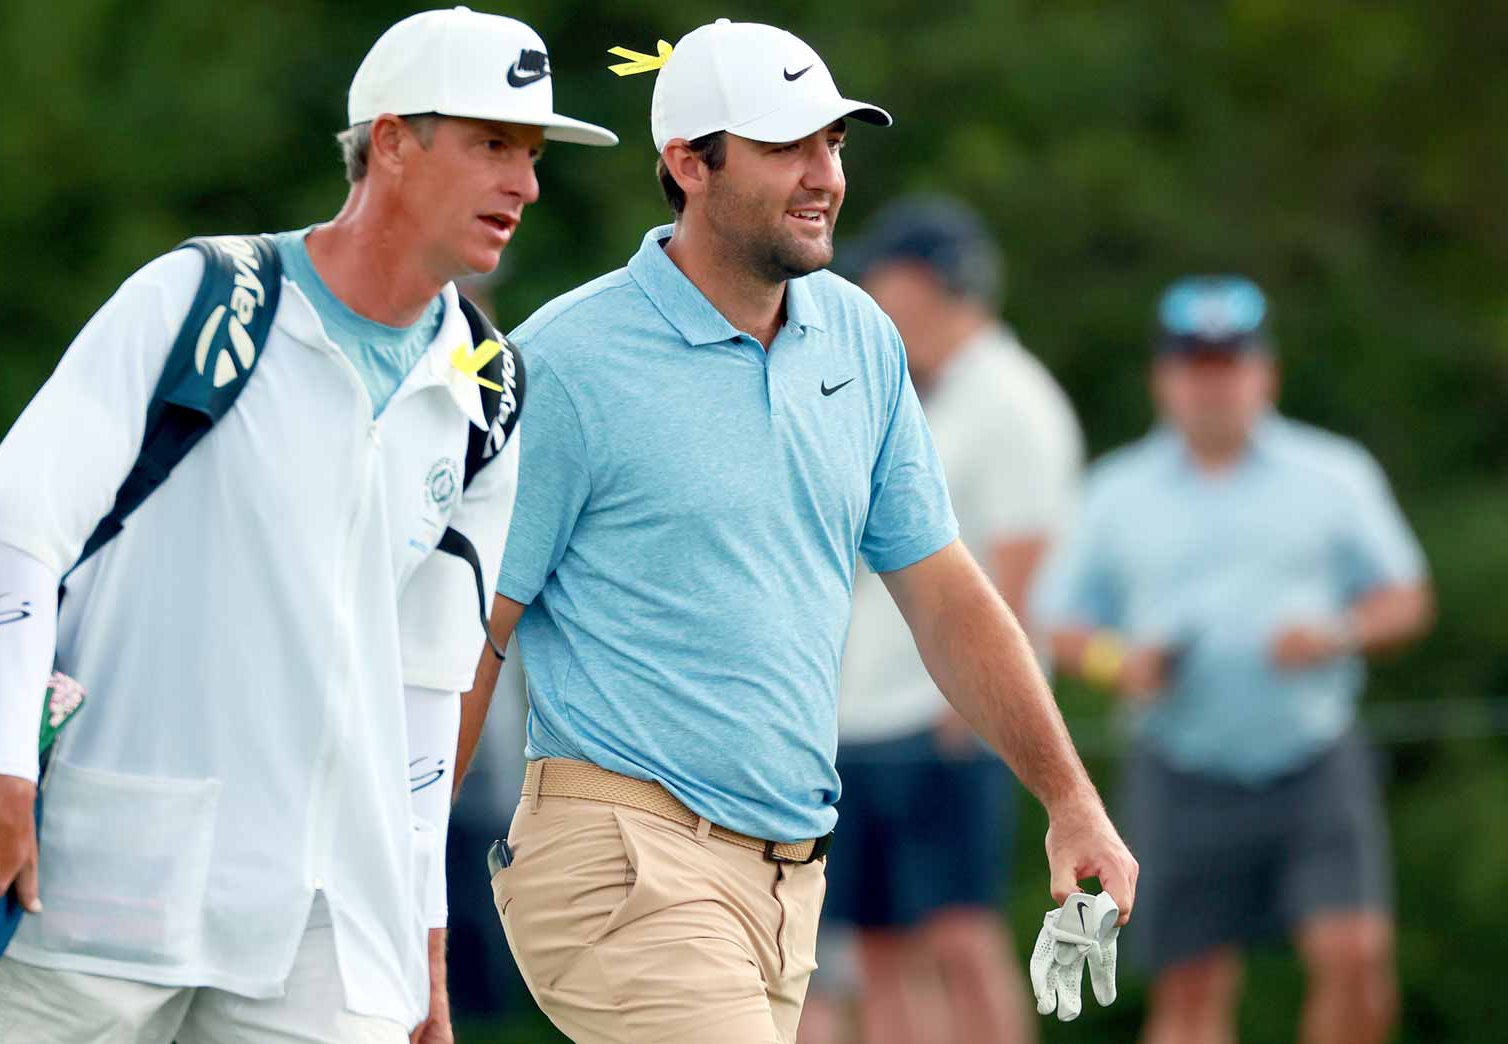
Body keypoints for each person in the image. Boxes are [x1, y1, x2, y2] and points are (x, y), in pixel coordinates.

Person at [0, 10, 615, 1044]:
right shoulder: (198, 297)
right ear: (389, 142)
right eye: (492, 146)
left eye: (530, 154)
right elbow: (18, 532)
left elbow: (429, 680)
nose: (524, 184)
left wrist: (421, 927)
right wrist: (0, 769)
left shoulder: (488, 386)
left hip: (326, 923)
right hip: (113, 881)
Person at [455, 20, 1135, 1043]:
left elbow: (943, 593)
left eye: (834, 144)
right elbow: (471, 631)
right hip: (619, 857)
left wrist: (1068, 799)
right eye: (786, 146)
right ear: (687, 164)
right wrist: (408, 892)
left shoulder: (858, 335)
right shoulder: (567, 360)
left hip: (784, 883)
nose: (823, 175)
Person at [1032, 275, 1434, 1044]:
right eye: (1194, 365)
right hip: (1179, 764)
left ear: (1265, 374)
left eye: (1229, 363)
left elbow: (1406, 597)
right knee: (1190, 987)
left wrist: (1338, 633)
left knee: (1355, 955)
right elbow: (1059, 623)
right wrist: (1124, 663)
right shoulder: (1116, 492)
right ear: (1164, 379)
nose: (1212, 384)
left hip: (1312, 756)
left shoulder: (1334, 474)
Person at [803, 197, 1083, 1044]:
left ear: (926, 283)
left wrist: (985, 712)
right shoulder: (923, 391)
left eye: (885, 276)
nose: (870, 293)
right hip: (863, 715)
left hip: (949, 717)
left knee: (962, 938)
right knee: (883, 948)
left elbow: (1031, 569)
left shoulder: (1011, 398)